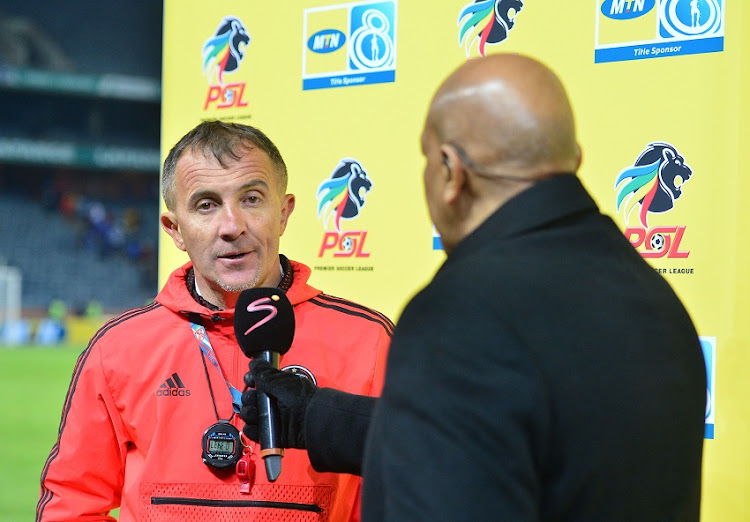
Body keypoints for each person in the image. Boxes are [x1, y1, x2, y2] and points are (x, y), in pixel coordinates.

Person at [241, 53, 707, 521]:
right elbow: (521, 437)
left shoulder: (461, 312)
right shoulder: (655, 300)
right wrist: (317, 418)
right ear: (574, 161)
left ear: (450, 172)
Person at [36, 121, 393, 521]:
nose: (232, 226)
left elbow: (403, 495)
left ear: (284, 211)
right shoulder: (118, 348)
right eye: (206, 205)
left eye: (252, 198)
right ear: (175, 230)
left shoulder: (370, 340)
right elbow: (72, 502)